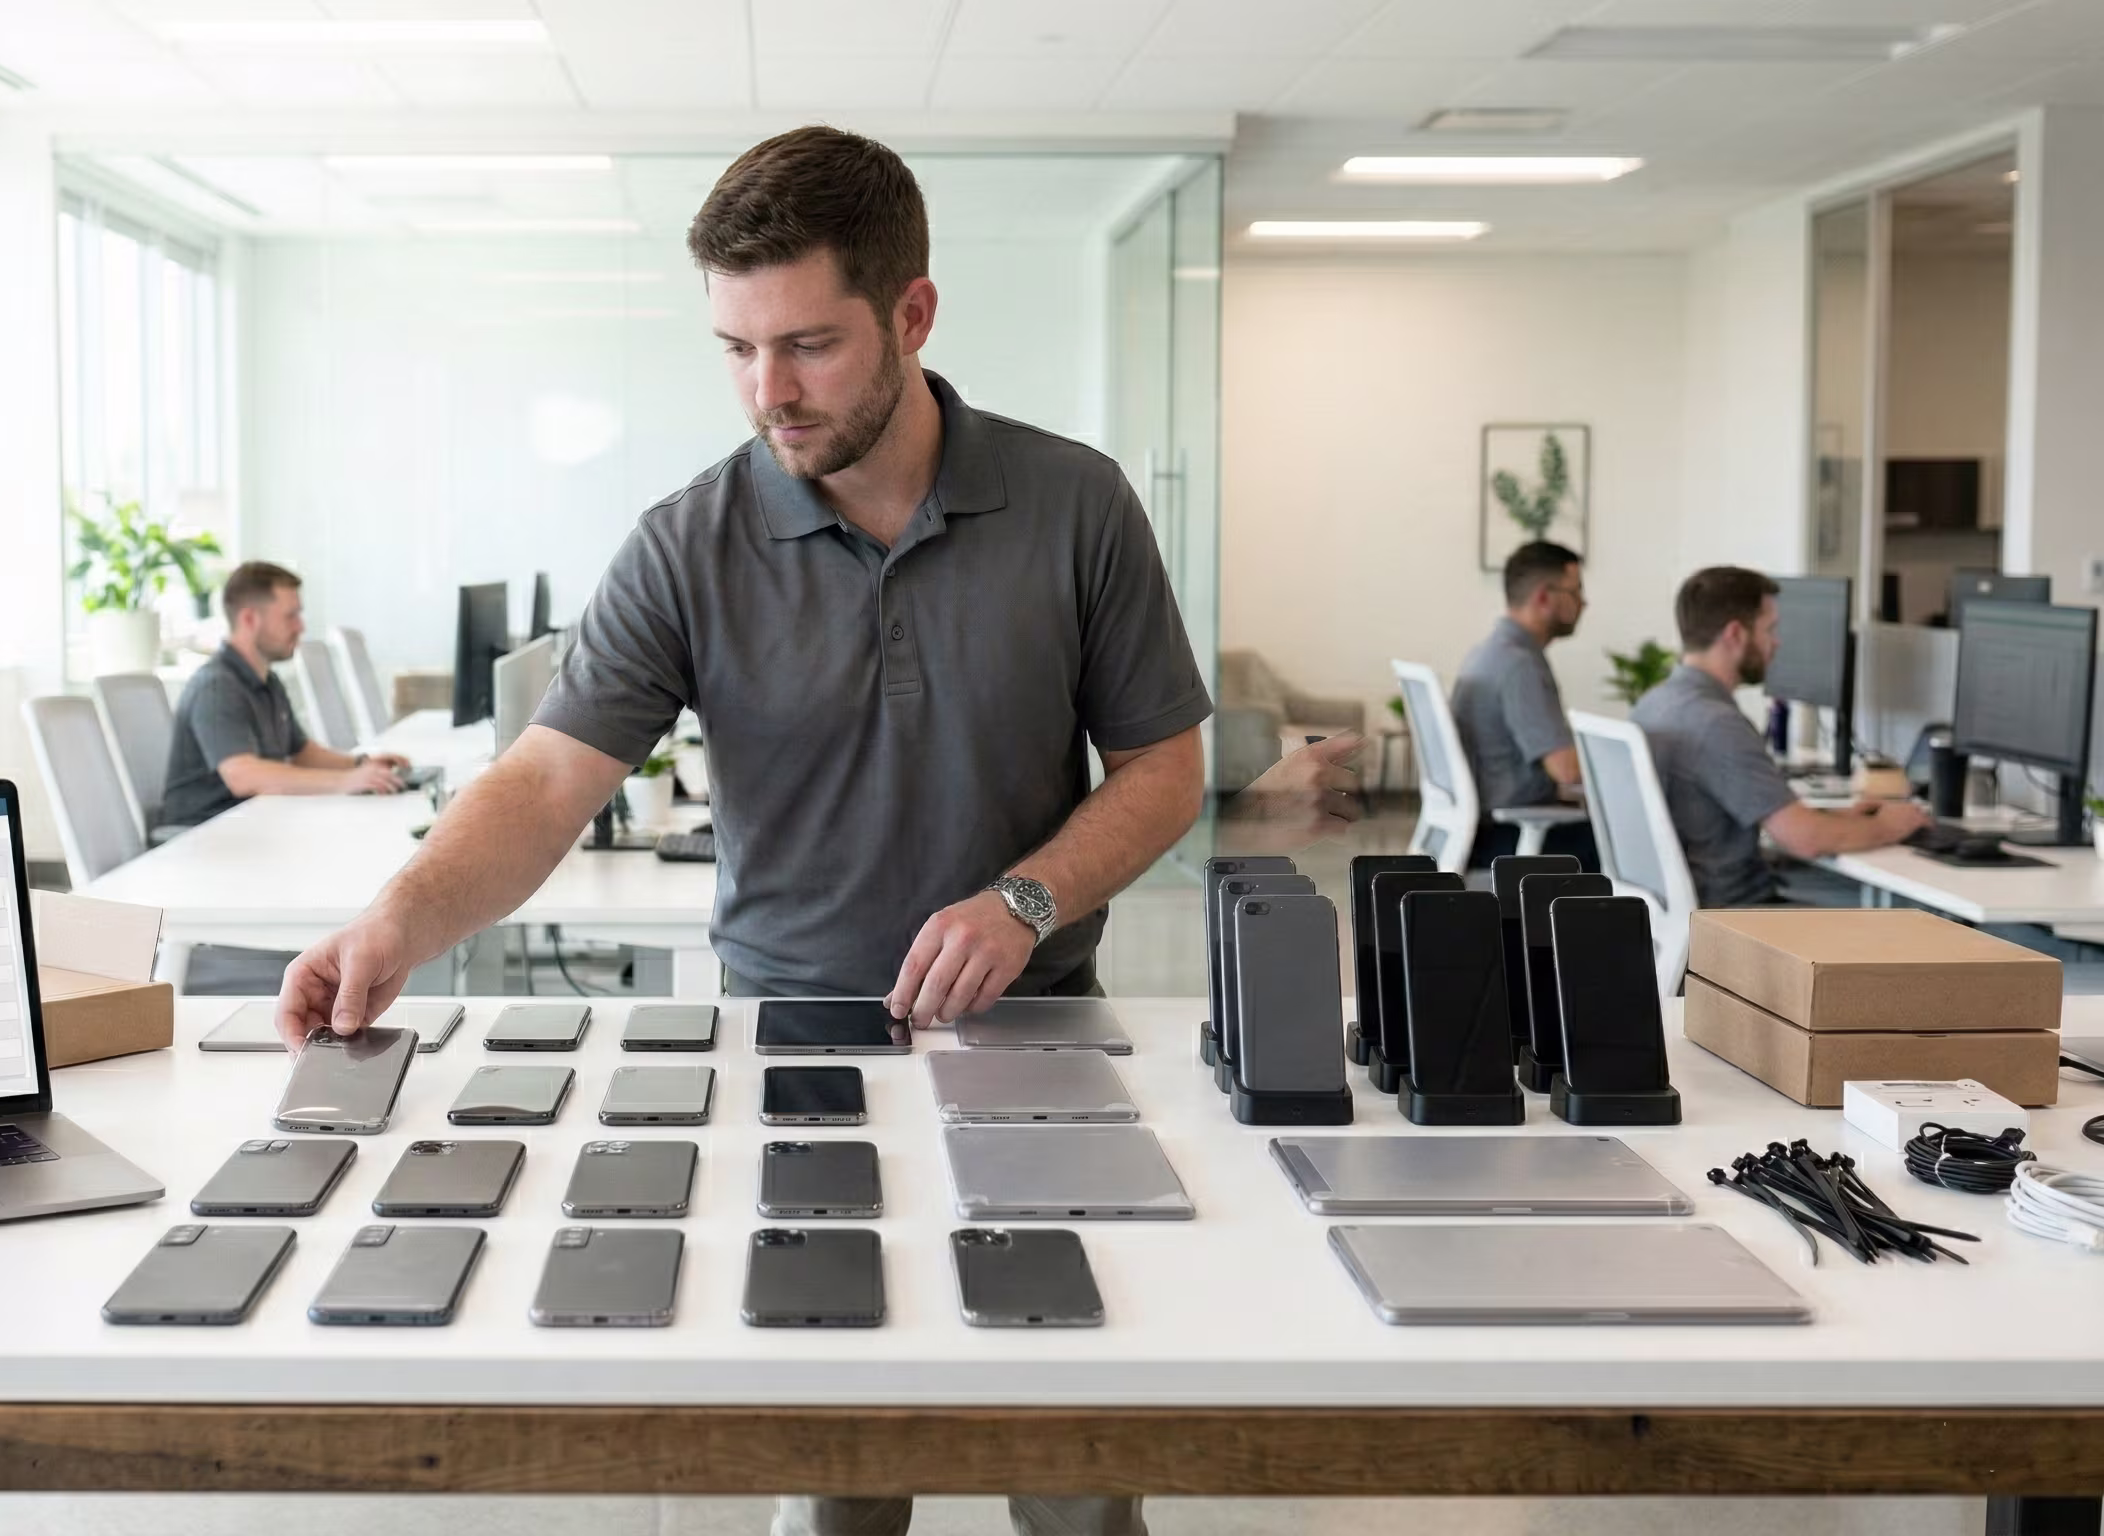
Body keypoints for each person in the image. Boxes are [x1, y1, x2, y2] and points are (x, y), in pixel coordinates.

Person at [277, 127, 1352, 1536]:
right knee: (838, 1471)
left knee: (1075, 1471)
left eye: (808, 346)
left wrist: (1023, 901)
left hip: (1034, 1030)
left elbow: (1161, 767)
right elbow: (544, 783)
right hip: (790, 1039)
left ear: (912, 313)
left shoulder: (1075, 503)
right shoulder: (686, 542)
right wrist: (398, 917)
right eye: (735, 349)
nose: (767, 392)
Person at [1631, 567, 1928, 906]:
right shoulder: (1717, 724)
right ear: (1735, 634)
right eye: (1769, 629)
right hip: (1737, 916)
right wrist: (1890, 825)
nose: (1777, 642)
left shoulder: (1655, 703)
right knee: (1905, 924)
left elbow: (1777, 821)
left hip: (1688, 913)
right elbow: (1806, 839)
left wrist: (1834, 820)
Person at [157, 561, 408, 829]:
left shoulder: (267, 680)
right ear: (249, 619)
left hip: (255, 823)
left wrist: (359, 764)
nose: (300, 627)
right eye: (290, 616)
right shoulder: (216, 687)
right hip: (206, 836)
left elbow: (300, 752)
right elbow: (243, 776)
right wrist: (344, 782)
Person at [1452, 539, 1600, 867]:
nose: (1584, 602)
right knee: (1636, 845)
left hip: (1486, 831)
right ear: (1544, 597)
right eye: (1576, 591)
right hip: (1513, 839)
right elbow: (1567, 770)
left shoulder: (1488, 652)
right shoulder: (1520, 665)